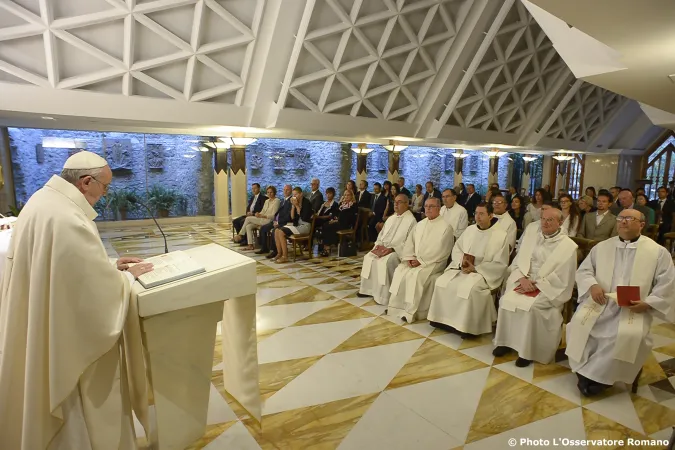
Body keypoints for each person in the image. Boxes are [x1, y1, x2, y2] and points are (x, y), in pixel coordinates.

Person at [0, 151, 154, 449]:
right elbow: (92, 297)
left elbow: (64, 273)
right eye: (105, 187)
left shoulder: (43, 201)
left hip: (40, 328)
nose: (105, 194)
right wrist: (126, 278)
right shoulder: (68, 218)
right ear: (86, 182)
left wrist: (109, 266)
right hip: (65, 350)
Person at [566, 209, 675, 397]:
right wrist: (592, 286)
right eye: (621, 218)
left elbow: (667, 283)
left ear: (641, 224)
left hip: (634, 307)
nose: (623, 222)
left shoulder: (657, 252)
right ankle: (587, 372)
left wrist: (648, 303)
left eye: (629, 218)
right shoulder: (602, 247)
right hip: (602, 303)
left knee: (620, 336)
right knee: (579, 324)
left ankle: (596, 379)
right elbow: (584, 271)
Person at [493, 208, 578, 367]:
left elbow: (564, 277)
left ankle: (527, 351)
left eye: (550, 220)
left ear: (560, 223)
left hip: (548, 287)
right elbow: (518, 262)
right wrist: (522, 279)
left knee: (531, 308)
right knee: (506, 301)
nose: (544, 223)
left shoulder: (568, 247)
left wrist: (537, 284)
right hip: (525, 281)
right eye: (543, 219)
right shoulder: (532, 238)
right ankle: (505, 342)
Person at [428, 202, 510, 338]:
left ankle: (468, 327)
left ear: (490, 215)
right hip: (463, 268)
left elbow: (500, 263)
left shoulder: (500, 235)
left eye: (482, 214)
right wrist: (462, 262)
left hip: (483, 273)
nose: (478, 217)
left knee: (470, 290)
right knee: (442, 282)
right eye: (476, 213)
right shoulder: (470, 230)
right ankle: (441, 320)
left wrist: (476, 269)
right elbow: (457, 248)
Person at [386, 198, 454, 322]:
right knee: (400, 271)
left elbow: (442, 250)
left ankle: (411, 312)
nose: (427, 209)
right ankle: (397, 307)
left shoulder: (446, 227)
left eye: (431, 206)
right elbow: (409, 243)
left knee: (415, 276)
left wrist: (421, 261)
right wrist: (410, 257)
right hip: (416, 260)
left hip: (434, 262)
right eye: (426, 206)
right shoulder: (420, 224)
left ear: (439, 208)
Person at [358, 195, 417, 305]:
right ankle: (368, 290)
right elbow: (381, 235)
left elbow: (410, 243)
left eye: (399, 202)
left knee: (387, 261)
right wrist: (378, 245)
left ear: (406, 204)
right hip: (384, 248)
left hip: (397, 252)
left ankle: (384, 296)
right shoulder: (391, 218)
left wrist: (392, 249)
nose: (395, 204)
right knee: (369, 257)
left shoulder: (411, 221)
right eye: (395, 202)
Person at [273, 186, 313, 263]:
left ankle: (285, 256)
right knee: (277, 230)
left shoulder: (307, 202)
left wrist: (297, 206)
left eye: (296, 194)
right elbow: (292, 217)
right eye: (293, 195)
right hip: (297, 225)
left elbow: (304, 217)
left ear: (301, 194)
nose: (294, 197)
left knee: (281, 232)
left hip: (305, 226)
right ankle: (279, 253)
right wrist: (293, 206)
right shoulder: (295, 203)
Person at [234, 185, 280, 250]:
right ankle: (250, 245)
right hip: (261, 219)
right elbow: (263, 211)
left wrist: (263, 216)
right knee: (248, 226)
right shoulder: (267, 201)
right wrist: (258, 214)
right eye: (268, 192)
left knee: (248, 218)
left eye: (271, 192)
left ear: (274, 192)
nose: (269, 194)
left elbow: (273, 215)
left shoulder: (277, 201)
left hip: (268, 220)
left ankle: (241, 235)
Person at [256, 184, 292, 258]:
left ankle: (275, 251)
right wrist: (276, 220)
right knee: (263, 228)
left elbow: (288, 216)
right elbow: (278, 213)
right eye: (284, 190)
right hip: (277, 221)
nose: (285, 191)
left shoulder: (290, 201)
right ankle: (264, 248)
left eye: (287, 190)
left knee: (274, 231)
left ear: (291, 191)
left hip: (284, 222)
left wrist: (278, 222)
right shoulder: (283, 200)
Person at [320, 190, 358, 256]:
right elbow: (336, 213)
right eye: (345, 195)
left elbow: (348, 217)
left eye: (348, 195)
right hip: (339, 222)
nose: (346, 196)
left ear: (352, 196)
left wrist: (336, 220)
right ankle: (326, 246)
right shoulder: (342, 204)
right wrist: (334, 218)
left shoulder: (353, 205)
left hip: (346, 224)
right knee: (325, 225)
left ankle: (327, 248)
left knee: (329, 227)